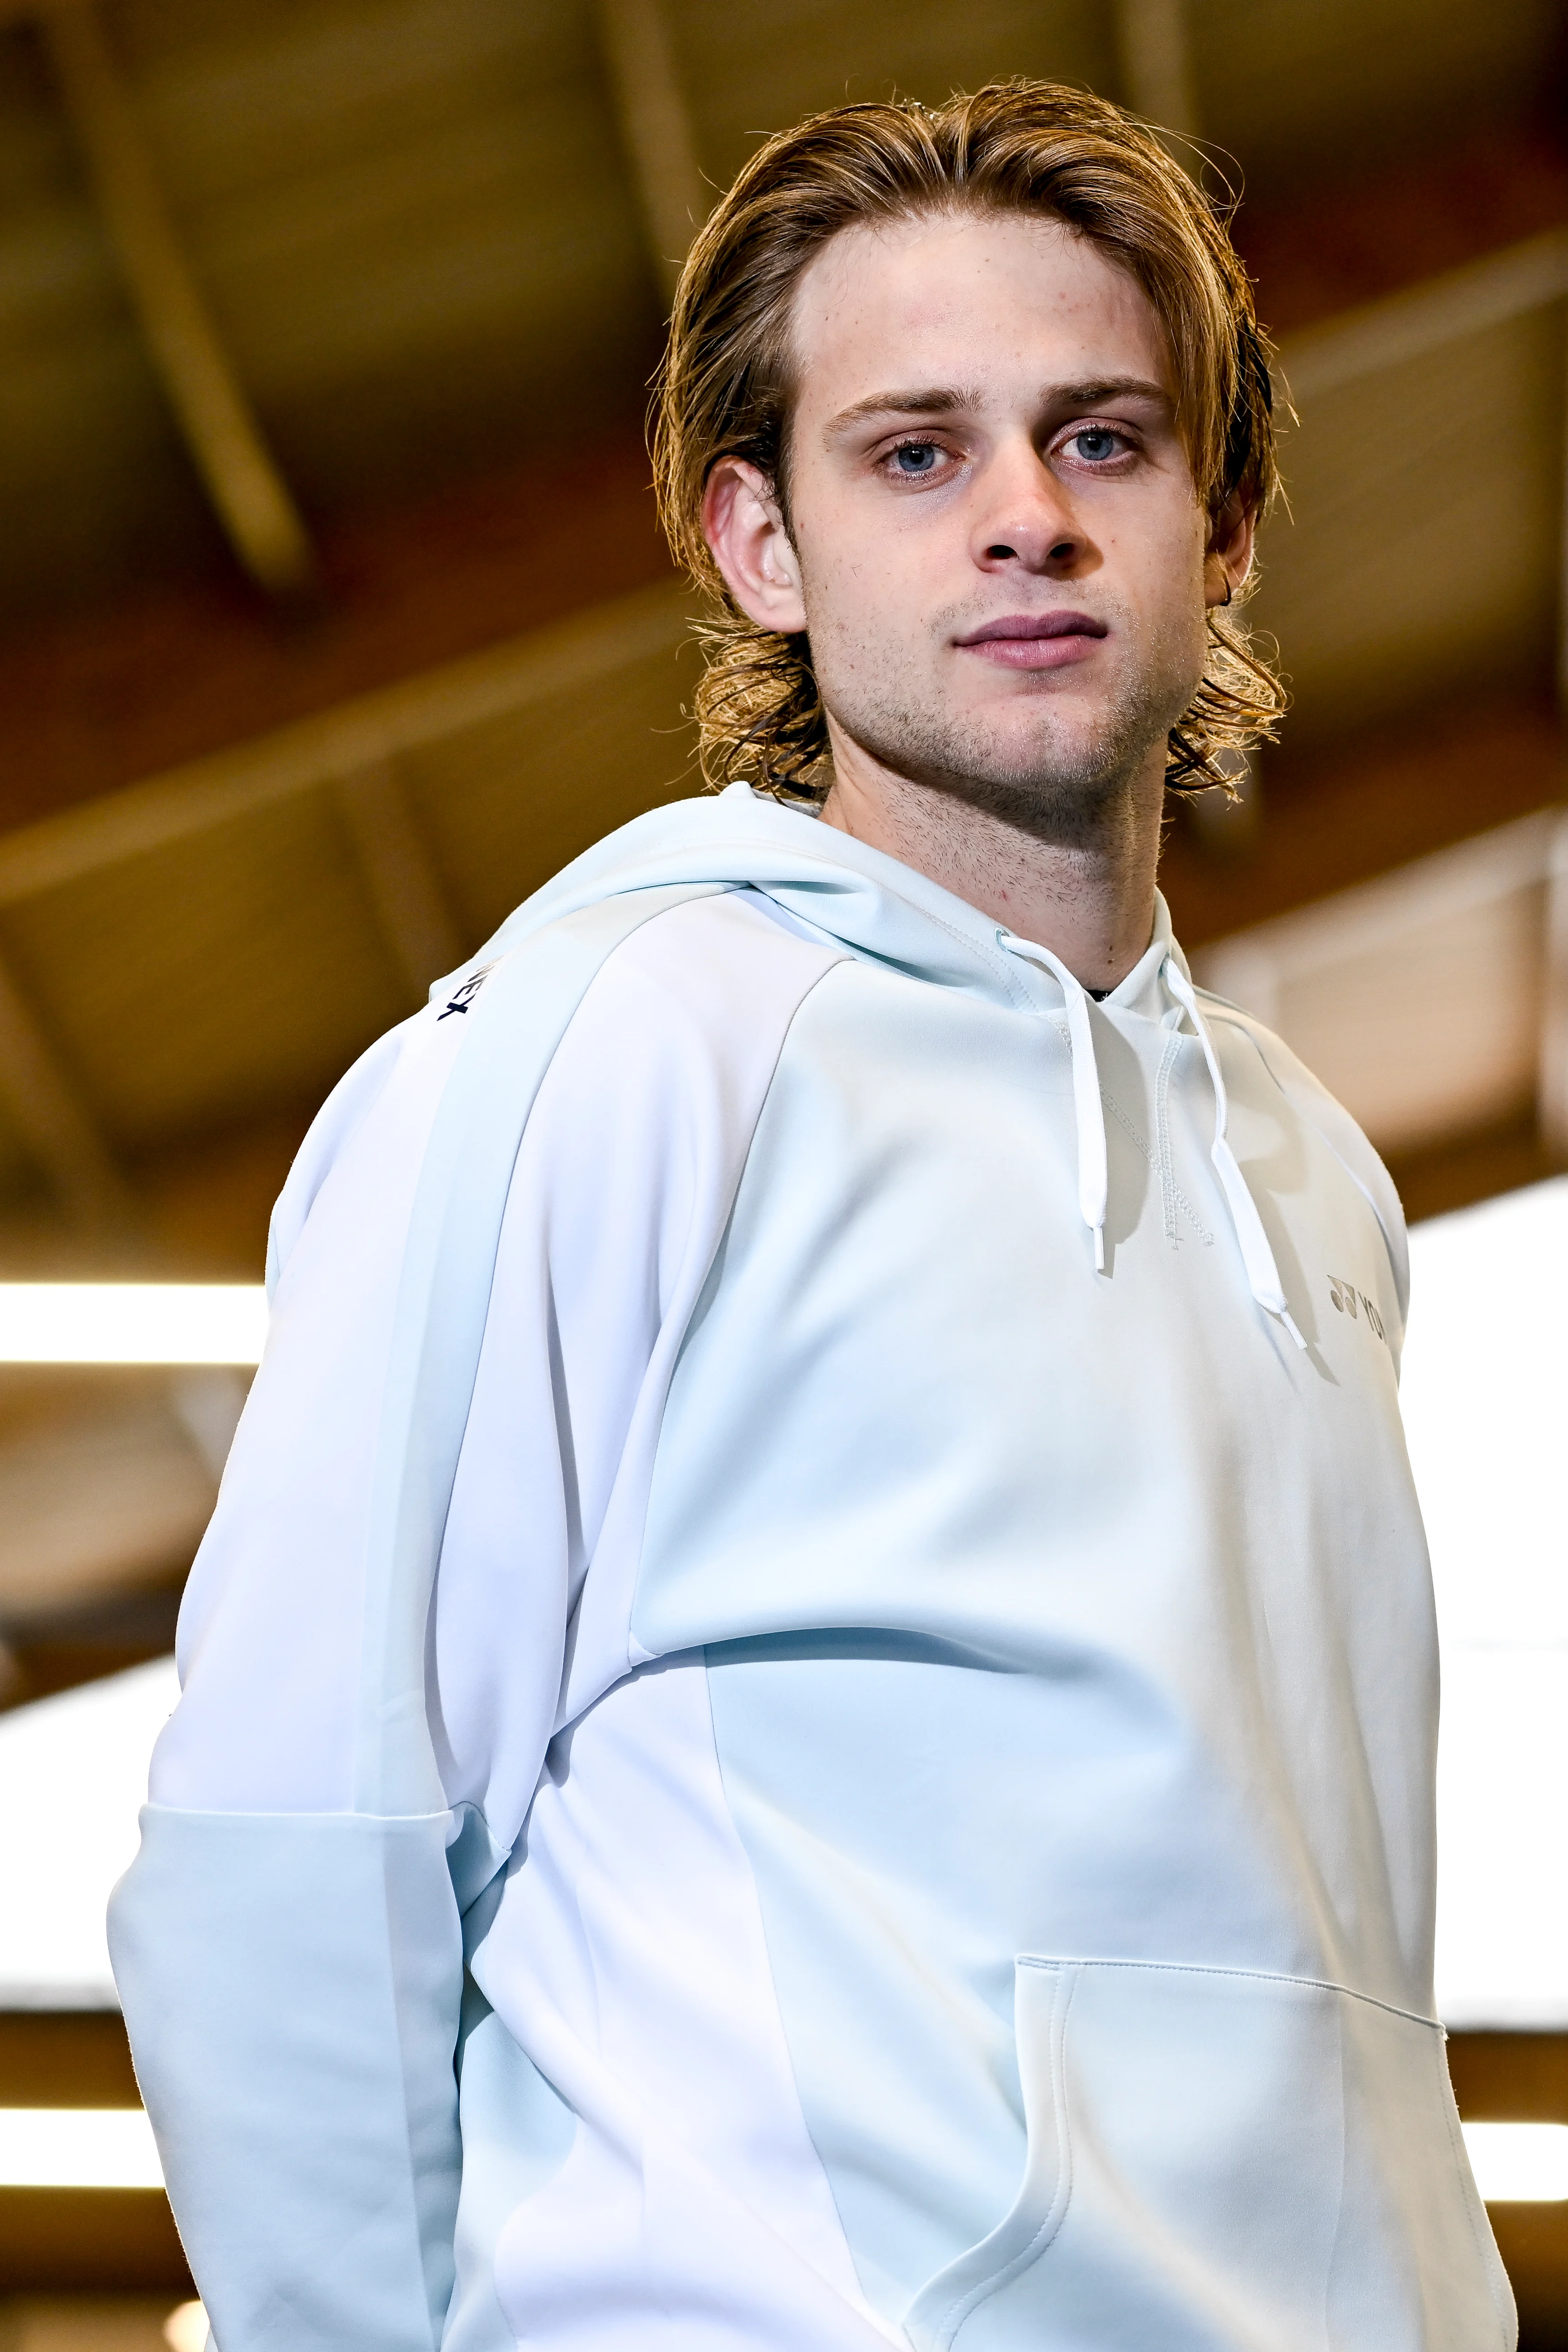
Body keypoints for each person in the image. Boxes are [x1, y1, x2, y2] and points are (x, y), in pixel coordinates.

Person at [110, 80, 1513, 2352]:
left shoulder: (1306, 1164)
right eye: (916, 452)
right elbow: (305, 1834)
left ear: (1225, 522)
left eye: (1109, 440)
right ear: (759, 543)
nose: (1028, 521)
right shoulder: (623, 1040)